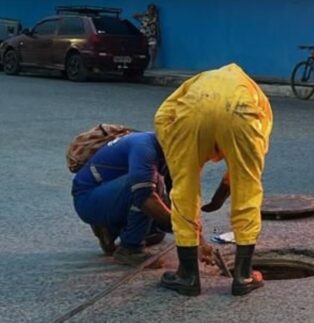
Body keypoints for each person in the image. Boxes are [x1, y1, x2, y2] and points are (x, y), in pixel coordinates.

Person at [154, 63, 274, 297]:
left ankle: (188, 277)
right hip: (241, 111)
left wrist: (179, 162)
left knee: (184, 192)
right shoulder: (255, 94)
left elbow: (162, 117)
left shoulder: (194, 83)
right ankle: (243, 276)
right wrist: (225, 189)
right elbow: (251, 163)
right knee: (248, 189)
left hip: (192, 112)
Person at [71, 131, 173, 266]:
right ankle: (130, 249)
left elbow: (177, 190)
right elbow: (145, 196)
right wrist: (186, 231)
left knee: (156, 233)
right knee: (146, 191)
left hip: (106, 191)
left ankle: (109, 228)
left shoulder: (166, 147)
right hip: (88, 198)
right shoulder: (144, 147)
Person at [133, 4, 160, 69]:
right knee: (143, 50)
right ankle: (142, 63)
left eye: (153, 9)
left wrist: (158, 36)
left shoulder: (155, 17)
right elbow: (134, 15)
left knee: (153, 48)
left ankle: (151, 64)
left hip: (152, 35)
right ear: (148, 9)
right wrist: (143, 14)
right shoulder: (144, 15)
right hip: (144, 34)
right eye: (150, 9)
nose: (152, 10)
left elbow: (157, 27)